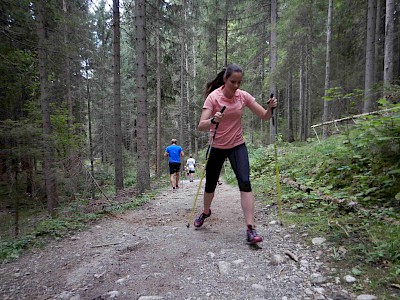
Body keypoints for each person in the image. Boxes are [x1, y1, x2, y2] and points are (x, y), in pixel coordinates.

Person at [194, 64, 277, 244]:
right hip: (217, 146)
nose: (237, 86)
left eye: (240, 82)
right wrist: (213, 120)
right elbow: (201, 125)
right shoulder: (213, 97)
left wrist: (270, 108)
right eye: (233, 82)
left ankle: (250, 229)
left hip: (237, 145)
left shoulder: (243, 96)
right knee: (210, 185)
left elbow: (264, 116)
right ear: (225, 79)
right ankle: (205, 211)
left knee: (245, 182)